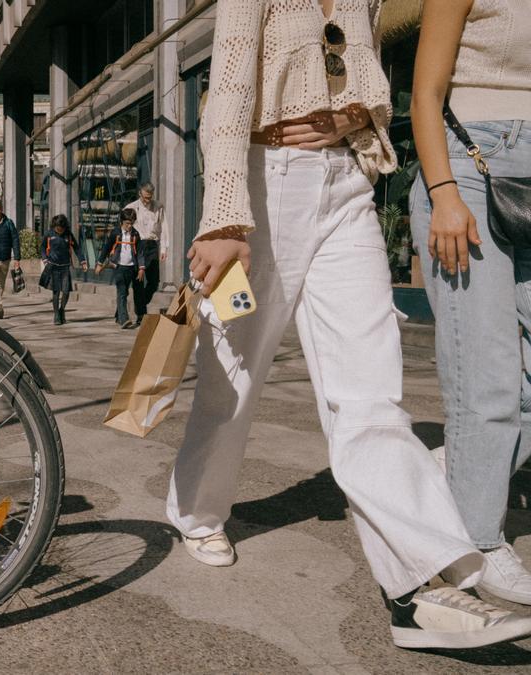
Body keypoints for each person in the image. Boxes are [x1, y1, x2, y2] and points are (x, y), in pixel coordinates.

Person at [169, 0, 531, 649]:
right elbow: (228, 86)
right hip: (266, 178)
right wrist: (223, 216)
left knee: (371, 395)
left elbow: (368, 72)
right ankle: (197, 511)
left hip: (346, 186)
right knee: (233, 380)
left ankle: (422, 590)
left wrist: (362, 116)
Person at [409, 0, 531, 605]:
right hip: (469, 169)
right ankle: (477, 544)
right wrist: (443, 195)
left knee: (514, 389)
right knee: (488, 376)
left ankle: (460, 466)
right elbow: (425, 96)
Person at [123, 183, 169, 322]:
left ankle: (140, 305)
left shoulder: (159, 207)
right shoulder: (130, 208)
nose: (147, 200)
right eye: (145, 197)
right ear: (139, 194)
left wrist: (164, 248)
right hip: (138, 244)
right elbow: (122, 228)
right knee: (139, 281)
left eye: (150, 197)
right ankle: (141, 314)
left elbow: (164, 227)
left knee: (154, 281)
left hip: (152, 244)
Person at [95, 209, 146, 328]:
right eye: (127, 223)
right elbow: (106, 248)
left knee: (137, 293)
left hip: (133, 267)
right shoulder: (115, 233)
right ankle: (124, 319)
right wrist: (99, 263)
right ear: (121, 222)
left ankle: (139, 316)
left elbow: (140, 252)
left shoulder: (136, 234)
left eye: (132, 223)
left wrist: (141, 268)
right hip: (119, 267)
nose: (129, 226)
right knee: (122, 292)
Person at [41, 215, 87, 325]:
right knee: (56, 292)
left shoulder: (68, 234)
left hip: (65, 267)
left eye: (61, 228)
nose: (59, 230)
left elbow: (76, 248)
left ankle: (62, 309)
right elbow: (42, 247)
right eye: (57, 228)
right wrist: (45, 259)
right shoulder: (49, 234)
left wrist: (83, 261)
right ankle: (56, 314)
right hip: (53, 266)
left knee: (66, 291)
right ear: (54, 226)